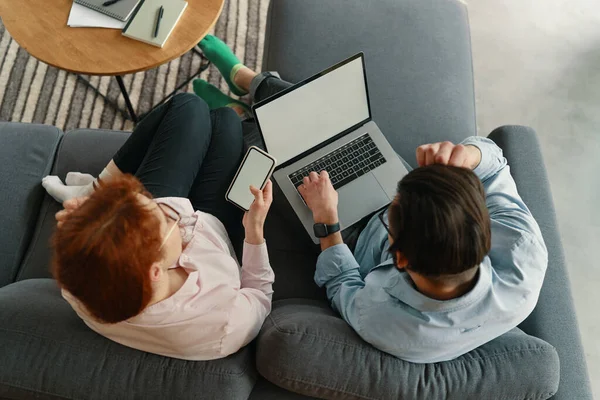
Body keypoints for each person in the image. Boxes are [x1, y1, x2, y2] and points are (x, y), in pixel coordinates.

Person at [41, 34, 298, 361]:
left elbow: (89, 253)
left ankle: (96, 188)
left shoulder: (83, 287)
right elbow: (260, 295)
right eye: (163, 217)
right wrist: (254, 232)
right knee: (222, 121)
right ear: (156, 271)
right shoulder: (223, 327)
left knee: (190, 108)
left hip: (160, 243)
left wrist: (86, 224)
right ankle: (236, 104)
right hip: (219, 231)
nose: (171, 210)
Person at [300, 139, 549, 363]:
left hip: (350, 236)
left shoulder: (385, 321)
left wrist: (326, 218)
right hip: (421, 213)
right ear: (486, 231)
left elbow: (341, 282)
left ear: (400, 257)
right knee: (340, 131)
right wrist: (466, 157)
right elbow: (495, 166)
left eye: (390, 218)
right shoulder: (521, 248)